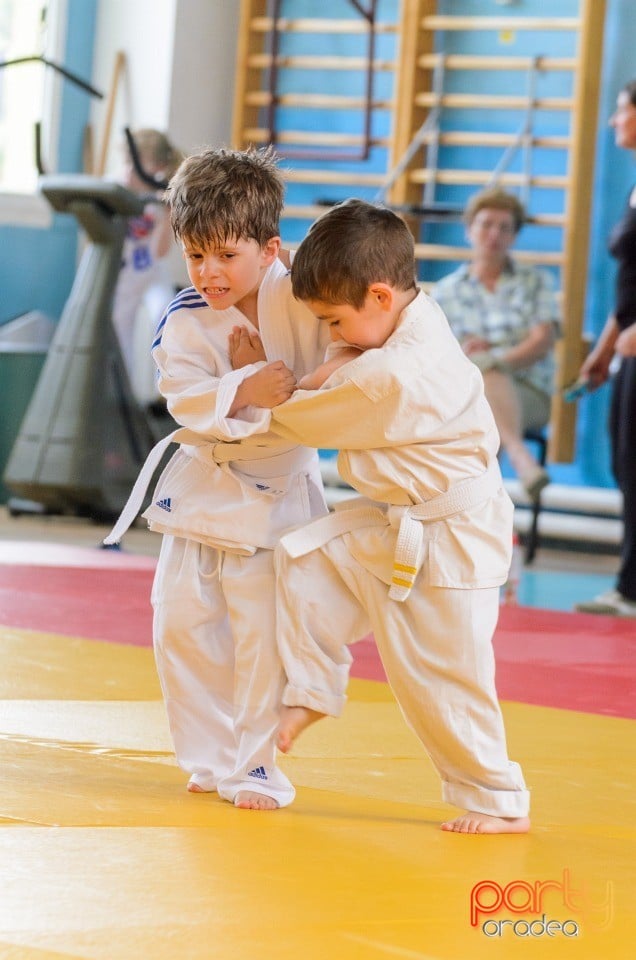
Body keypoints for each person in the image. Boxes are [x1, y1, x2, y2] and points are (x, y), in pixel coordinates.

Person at [236, 198, 531, 834]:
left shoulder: (389, 378)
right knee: (306, 565)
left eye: (333, 320)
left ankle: (497, 798)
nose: (330, 333)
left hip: (453, 542)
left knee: (445, 677)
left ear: (377, 295)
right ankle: (312, 693)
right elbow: (347, 355)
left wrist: (249, 383)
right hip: (396, 521)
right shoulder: (414, 311)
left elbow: (300, 413)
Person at [105, 146, 331, 809]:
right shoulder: (183, 316)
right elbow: (183, 398)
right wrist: (245, 386)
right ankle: (208, 756)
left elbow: (329, 383)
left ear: (270, 249)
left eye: (226, 256)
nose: (209, 273)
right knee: (180, 627)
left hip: (277, 499)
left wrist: (266, 384)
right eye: (195, 255)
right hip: (201, 492)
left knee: (262, 638)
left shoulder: (307, 301)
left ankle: (256, 766)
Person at [432, 187, 560, 502]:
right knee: (480, 394)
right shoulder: (446, 291)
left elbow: (542, 341)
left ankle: (472, 517)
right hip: (466, 393)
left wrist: (493, 359)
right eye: (487, 224)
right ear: (469, 231)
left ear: (514, 236)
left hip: (529, 391)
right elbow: (438, 356)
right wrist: (467, 357)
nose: (494, 234)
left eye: (504, 227)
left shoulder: (536, 281)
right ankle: (519, 457)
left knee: (485, 393)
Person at [575, 80, 636, 618]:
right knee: (626, 459)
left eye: (622, 110)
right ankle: (630, 582)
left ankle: (631, 587)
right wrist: (605, 347)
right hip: (629, 345)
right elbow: (632, 281)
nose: (615, 120)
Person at [111, 128, 184, 399]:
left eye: (138, 164)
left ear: (158, 167)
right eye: (128, 163)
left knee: (165, 315)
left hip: (151, 272)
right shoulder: (117, 187)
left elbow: (160, 252)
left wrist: (166, 214)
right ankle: (123, 398)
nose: (131, 171)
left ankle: (164, 392)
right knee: (120, 334)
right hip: (123, 276)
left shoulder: (161, 196)